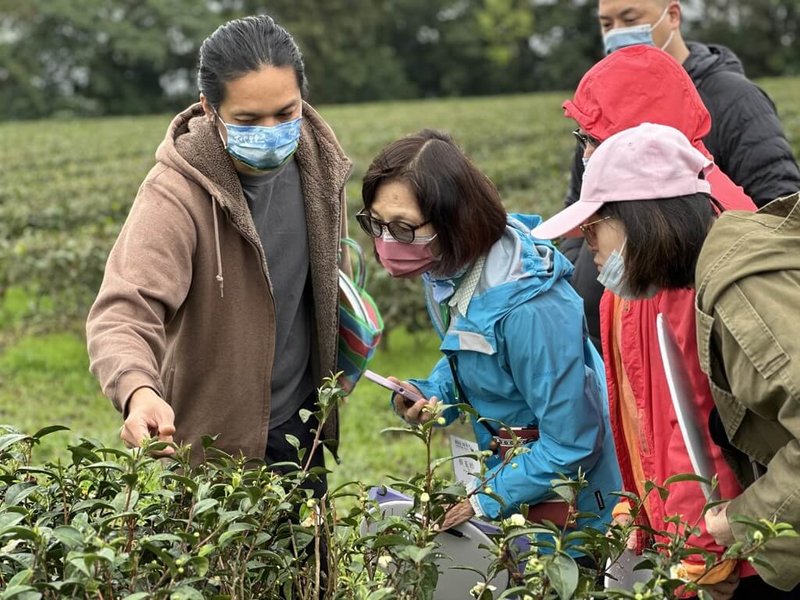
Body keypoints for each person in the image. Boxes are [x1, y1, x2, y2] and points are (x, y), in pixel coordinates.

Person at [86, 15, 352, 499]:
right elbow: (122, 312)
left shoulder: (320, 166)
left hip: (299, 426)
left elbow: (334, 280)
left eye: (285, 112)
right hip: (210, 447)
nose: (271, 132)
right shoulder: (176, 192)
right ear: (210, 108)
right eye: (249, 120)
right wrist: (138, 391)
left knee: (307, 573)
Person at [533, 122, 800, 596]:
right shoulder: (713, 275)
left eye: (595, 228)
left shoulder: (741, 297)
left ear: (645, 220)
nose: (588, 247)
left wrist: (745, 521)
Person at [357, 129, 622, 563]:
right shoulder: (450, 268)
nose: (386, 242)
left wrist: (484, 499)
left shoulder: (531, 310)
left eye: (403, 228)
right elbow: (472, 351)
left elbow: (574, 440)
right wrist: (433, 393)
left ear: (453, 218)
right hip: (522, 477)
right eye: (376, 224)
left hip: (575, 506)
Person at [563, 0, 800, 348]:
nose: (617, 32)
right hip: (612, 327)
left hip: (688, 327)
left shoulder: (734, 99)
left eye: (630, 19)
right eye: (607, 23)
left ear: (672, 16)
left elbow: (778, 205)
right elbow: (578, 201)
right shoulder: (605, 105)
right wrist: (583, 282)